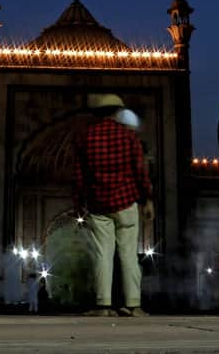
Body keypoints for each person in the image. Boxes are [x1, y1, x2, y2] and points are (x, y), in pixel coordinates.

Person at [73, 93, 154, 318]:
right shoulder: (128, 137)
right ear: (116, 112)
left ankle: (103, 305)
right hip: (126, 202)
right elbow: (140, 170)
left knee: (102, 255)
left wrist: (79, 204)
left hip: (97, 205)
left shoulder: (84, 138)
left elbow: (78, 177)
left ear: (95, 113)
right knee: (128, 255)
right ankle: (133, 304)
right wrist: (147, 199)